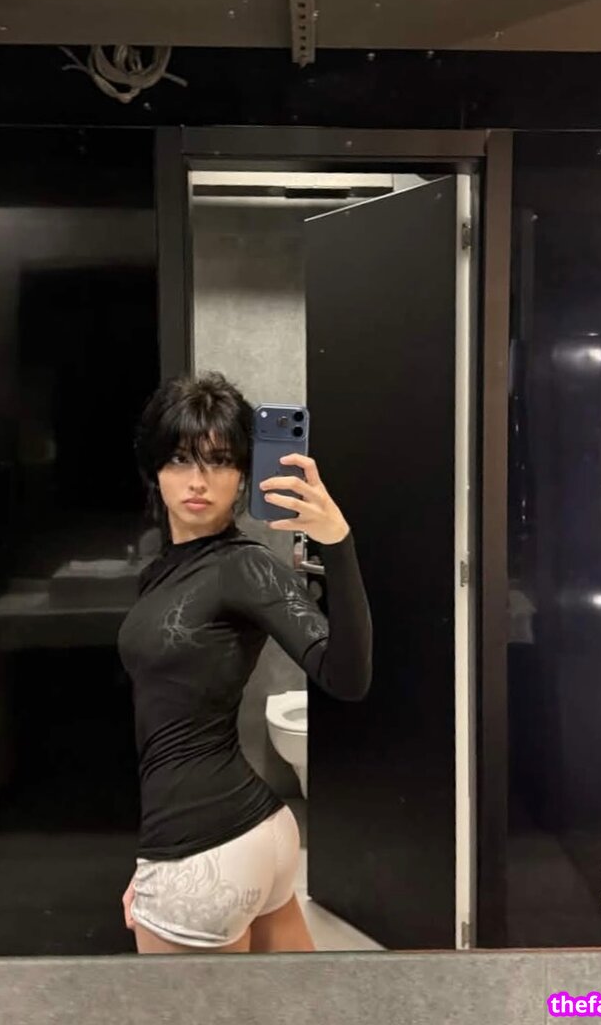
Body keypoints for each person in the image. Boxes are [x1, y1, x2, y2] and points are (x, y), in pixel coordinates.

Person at [117, 372, 372, 953]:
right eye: (180, 459)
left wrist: (338, 543)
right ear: (155, 468)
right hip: (244, 836)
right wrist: (150, 859)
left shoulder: (243, 566)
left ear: (243, 477)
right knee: (304, 1001)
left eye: (220, 461)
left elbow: (346, 677)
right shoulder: (161, 570)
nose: (198, 480)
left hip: (206, 852)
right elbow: (161, 721)